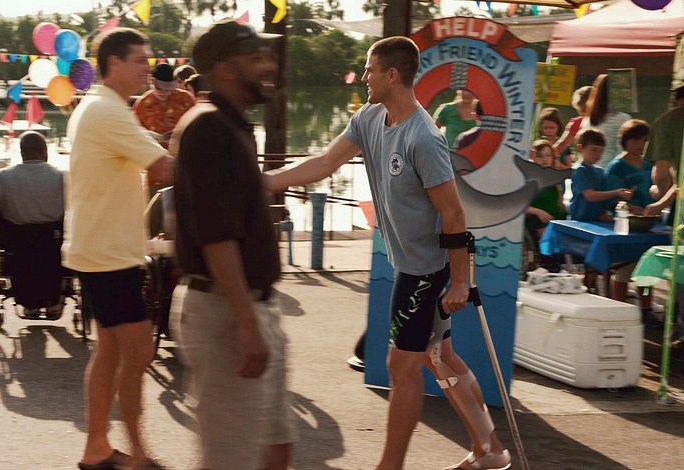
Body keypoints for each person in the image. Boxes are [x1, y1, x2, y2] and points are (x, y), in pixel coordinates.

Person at [267, 36, 510, 470]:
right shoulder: (368, 117)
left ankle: (390, 465)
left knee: (401, 367)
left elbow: (453, 213)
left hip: (426, 270)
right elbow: (324, 162)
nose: (364, 76)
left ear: (392, 75)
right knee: (439, 355)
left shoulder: (424, 138)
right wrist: (265, 181)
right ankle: (489, 450)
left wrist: (459, 280)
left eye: (369, 69)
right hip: (411, 265)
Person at [169, 20, 296, 470]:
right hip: (225, 313)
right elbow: (217, 238)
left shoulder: (234, 125)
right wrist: (246, 322)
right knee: (231, 460)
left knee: (277, 446)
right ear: (224, 69)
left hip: (254, 308)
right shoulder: (208, 129)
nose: (268, 66)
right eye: (256, 58)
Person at [65, 27, 171, 470]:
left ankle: (98, 447)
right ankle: (137, 453)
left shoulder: (100, 106)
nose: (149, 67)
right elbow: (164, 167)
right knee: (138, 350)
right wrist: (226, 171)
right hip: (107, 255)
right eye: (140, 59)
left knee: (110, 351)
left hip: (102, 250)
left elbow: (152, 156)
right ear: (114, 63)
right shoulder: (108, 111)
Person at [0, 131, 66, 318]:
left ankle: (30, 304)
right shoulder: (61, 178)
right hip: (53, 249)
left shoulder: (1, 177)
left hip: (17, 250)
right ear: (44, 152)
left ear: (21, 153)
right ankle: (54, 301)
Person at [643, 84, 684, 348]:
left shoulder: (669, 120)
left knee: (681, 268)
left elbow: (661, 173)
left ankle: (681, 330)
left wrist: (661, 198)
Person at [569, 128, 633, 293]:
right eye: (594, 150)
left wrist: (604, 213)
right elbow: (590, 195)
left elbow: (602, 199)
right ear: (580, 148)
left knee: (603, 261)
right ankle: (587, 288)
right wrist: (616, 192)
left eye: (600, 151)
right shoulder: (579, 170)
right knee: (590, 264)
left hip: (597, 223)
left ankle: (599, 289)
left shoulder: (599, 172)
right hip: (580, 223)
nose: (597, 154)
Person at [604, 119, 654, 311]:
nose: (640, 145)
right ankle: (619, 309)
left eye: (643, 140)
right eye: (636, 140)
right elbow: (612, 200)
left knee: (648, 269)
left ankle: (646, 311)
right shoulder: (617, 166)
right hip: (625, 224)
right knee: (623, 269)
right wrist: (633, 208)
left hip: (648, 224)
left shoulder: (648, 166)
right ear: (625, 141)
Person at [525, 140, 567, 272]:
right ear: (533, 157)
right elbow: (519, 206)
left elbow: (560, 202)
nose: (544, 159)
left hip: (557, 220)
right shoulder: (529, 179)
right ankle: (550, 266)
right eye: (540, 156)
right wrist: (538, 212)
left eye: (548, 155)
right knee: (548, 234)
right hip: (536, 220)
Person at [133, 62, 197, 147]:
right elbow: (136, 134)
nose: (165, 92)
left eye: (169, 88)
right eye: (160, 88)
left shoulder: (186, 99)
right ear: (151, 81)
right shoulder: (142, 105)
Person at [582, 74, 632, 169]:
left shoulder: (587, 120)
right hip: (612, 172)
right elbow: (622, 151)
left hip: (590, 170)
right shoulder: (623, 119)